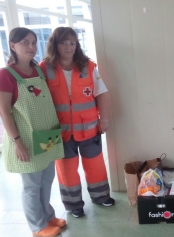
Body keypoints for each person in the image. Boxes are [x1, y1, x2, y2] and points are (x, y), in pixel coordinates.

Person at [39, 27, 114, 218]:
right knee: (66, 170)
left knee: (95, 165)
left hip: (89, 128)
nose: (68, 46)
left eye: (72, 42)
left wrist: (104, 120)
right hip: (59, 132)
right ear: (55, 44)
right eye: (64, 42)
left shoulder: (87, 67)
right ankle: (74, 205)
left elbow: (102, 94)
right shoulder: (44, 68)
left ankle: (101, 196)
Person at [0, 27, 65, 237]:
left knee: (47, 180)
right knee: (31, 186)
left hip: (46, 136)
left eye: (34, 42)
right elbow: (4, 112)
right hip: (26, 140)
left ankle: (47, 215)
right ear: (12, 45)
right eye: (25, 42)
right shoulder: (6, 75)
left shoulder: (38, 70)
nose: (31, 47)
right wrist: (17, 142)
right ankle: (37, 226)